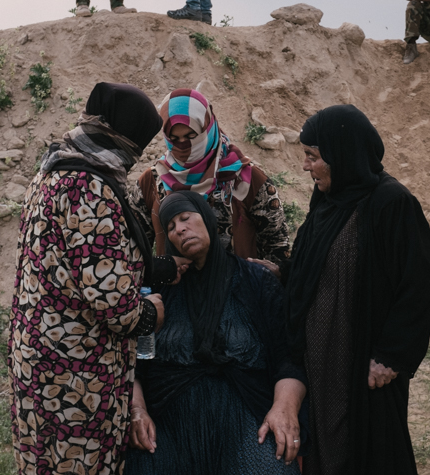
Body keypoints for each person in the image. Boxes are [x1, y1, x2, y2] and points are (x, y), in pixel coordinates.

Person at [9, 82, 171, 475]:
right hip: (75, 371)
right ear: (123, 138)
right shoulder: (89, 186)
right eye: (136, 146)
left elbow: (75, 259)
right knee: (77, 461)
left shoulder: (52, 171)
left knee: (45, 458)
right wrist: (151, 313)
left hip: (39, 353)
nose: (133, 159)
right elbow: (115, 306)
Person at [285, 104, 430, 475]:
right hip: (320, 360)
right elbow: (314, 261)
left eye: (313, 156)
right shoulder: (328, 198)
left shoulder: (392, 204)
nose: (306, 166)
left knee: (368, 449)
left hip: (362, 364)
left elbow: (418, 284)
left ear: (342, 154)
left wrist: (391, 355)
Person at [126, 191, 307, 474]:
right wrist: (137, 410)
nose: (180, 229)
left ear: (208, 219)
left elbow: (289, 355)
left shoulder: (255, 281)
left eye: (186, 218)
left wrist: (285, 407)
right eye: (171, 227)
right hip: (169, 422)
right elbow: (132, 360)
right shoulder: (160, 291)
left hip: (245, 414)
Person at [128, 88, 289, 265]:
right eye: (174, 139)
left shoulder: (245, 179)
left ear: (209, 128)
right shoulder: (152, 181)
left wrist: (265, 276)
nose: (184, 146)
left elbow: (278, 246)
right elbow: (133, 248)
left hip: (237, 289)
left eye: (191, 136)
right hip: (174, 290)